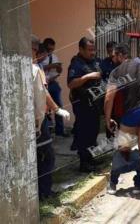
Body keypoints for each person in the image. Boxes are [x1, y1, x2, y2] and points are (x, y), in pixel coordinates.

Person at [104, 43, 140, 195]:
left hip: (132, 113)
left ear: (120, 55)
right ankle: (139, 184)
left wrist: (107, 120)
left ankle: (113, 183)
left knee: (123, 148)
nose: (113, 59)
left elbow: (108, 97)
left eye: (114, 56)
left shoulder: (117, 71)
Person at [32, 35, 70, 199]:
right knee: (47, 157)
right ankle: (44, 193)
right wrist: (56, 109)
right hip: (37, 124)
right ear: (34, 50)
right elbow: (43, 92)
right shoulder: (34, 69)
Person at [67, 37, 103, 172]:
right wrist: (87, 77)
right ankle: (83, 163)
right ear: (81, 49)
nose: (92, 52)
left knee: (93, 132)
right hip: (82, 104)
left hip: (94, 104)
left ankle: (91, 158)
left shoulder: (94, 62)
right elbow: (70, 83)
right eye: (89, 50)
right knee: (84, 133)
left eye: (94, 50)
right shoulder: (77, 64)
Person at [41, 38, 67, 137]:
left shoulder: (55, 57)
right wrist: (50, 65)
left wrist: (59, 68)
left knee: (58, 106)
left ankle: (60, 130)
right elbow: (39, 68)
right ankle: (46, 131)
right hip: (43, 84)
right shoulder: (41, 57)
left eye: (52, 49)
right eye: (49, 49)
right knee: (44, 108)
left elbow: (59, 71)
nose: (51, 51)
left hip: (53, 83)